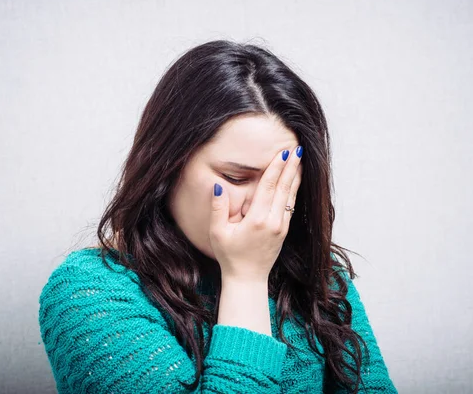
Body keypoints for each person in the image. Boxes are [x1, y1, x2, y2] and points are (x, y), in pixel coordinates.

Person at [38, 39, 398, 393]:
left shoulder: (315, 274)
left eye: (283, 182)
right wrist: (245, 279)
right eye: (236, 178)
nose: (262, 209)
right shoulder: (90, 294)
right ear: (167, 165)